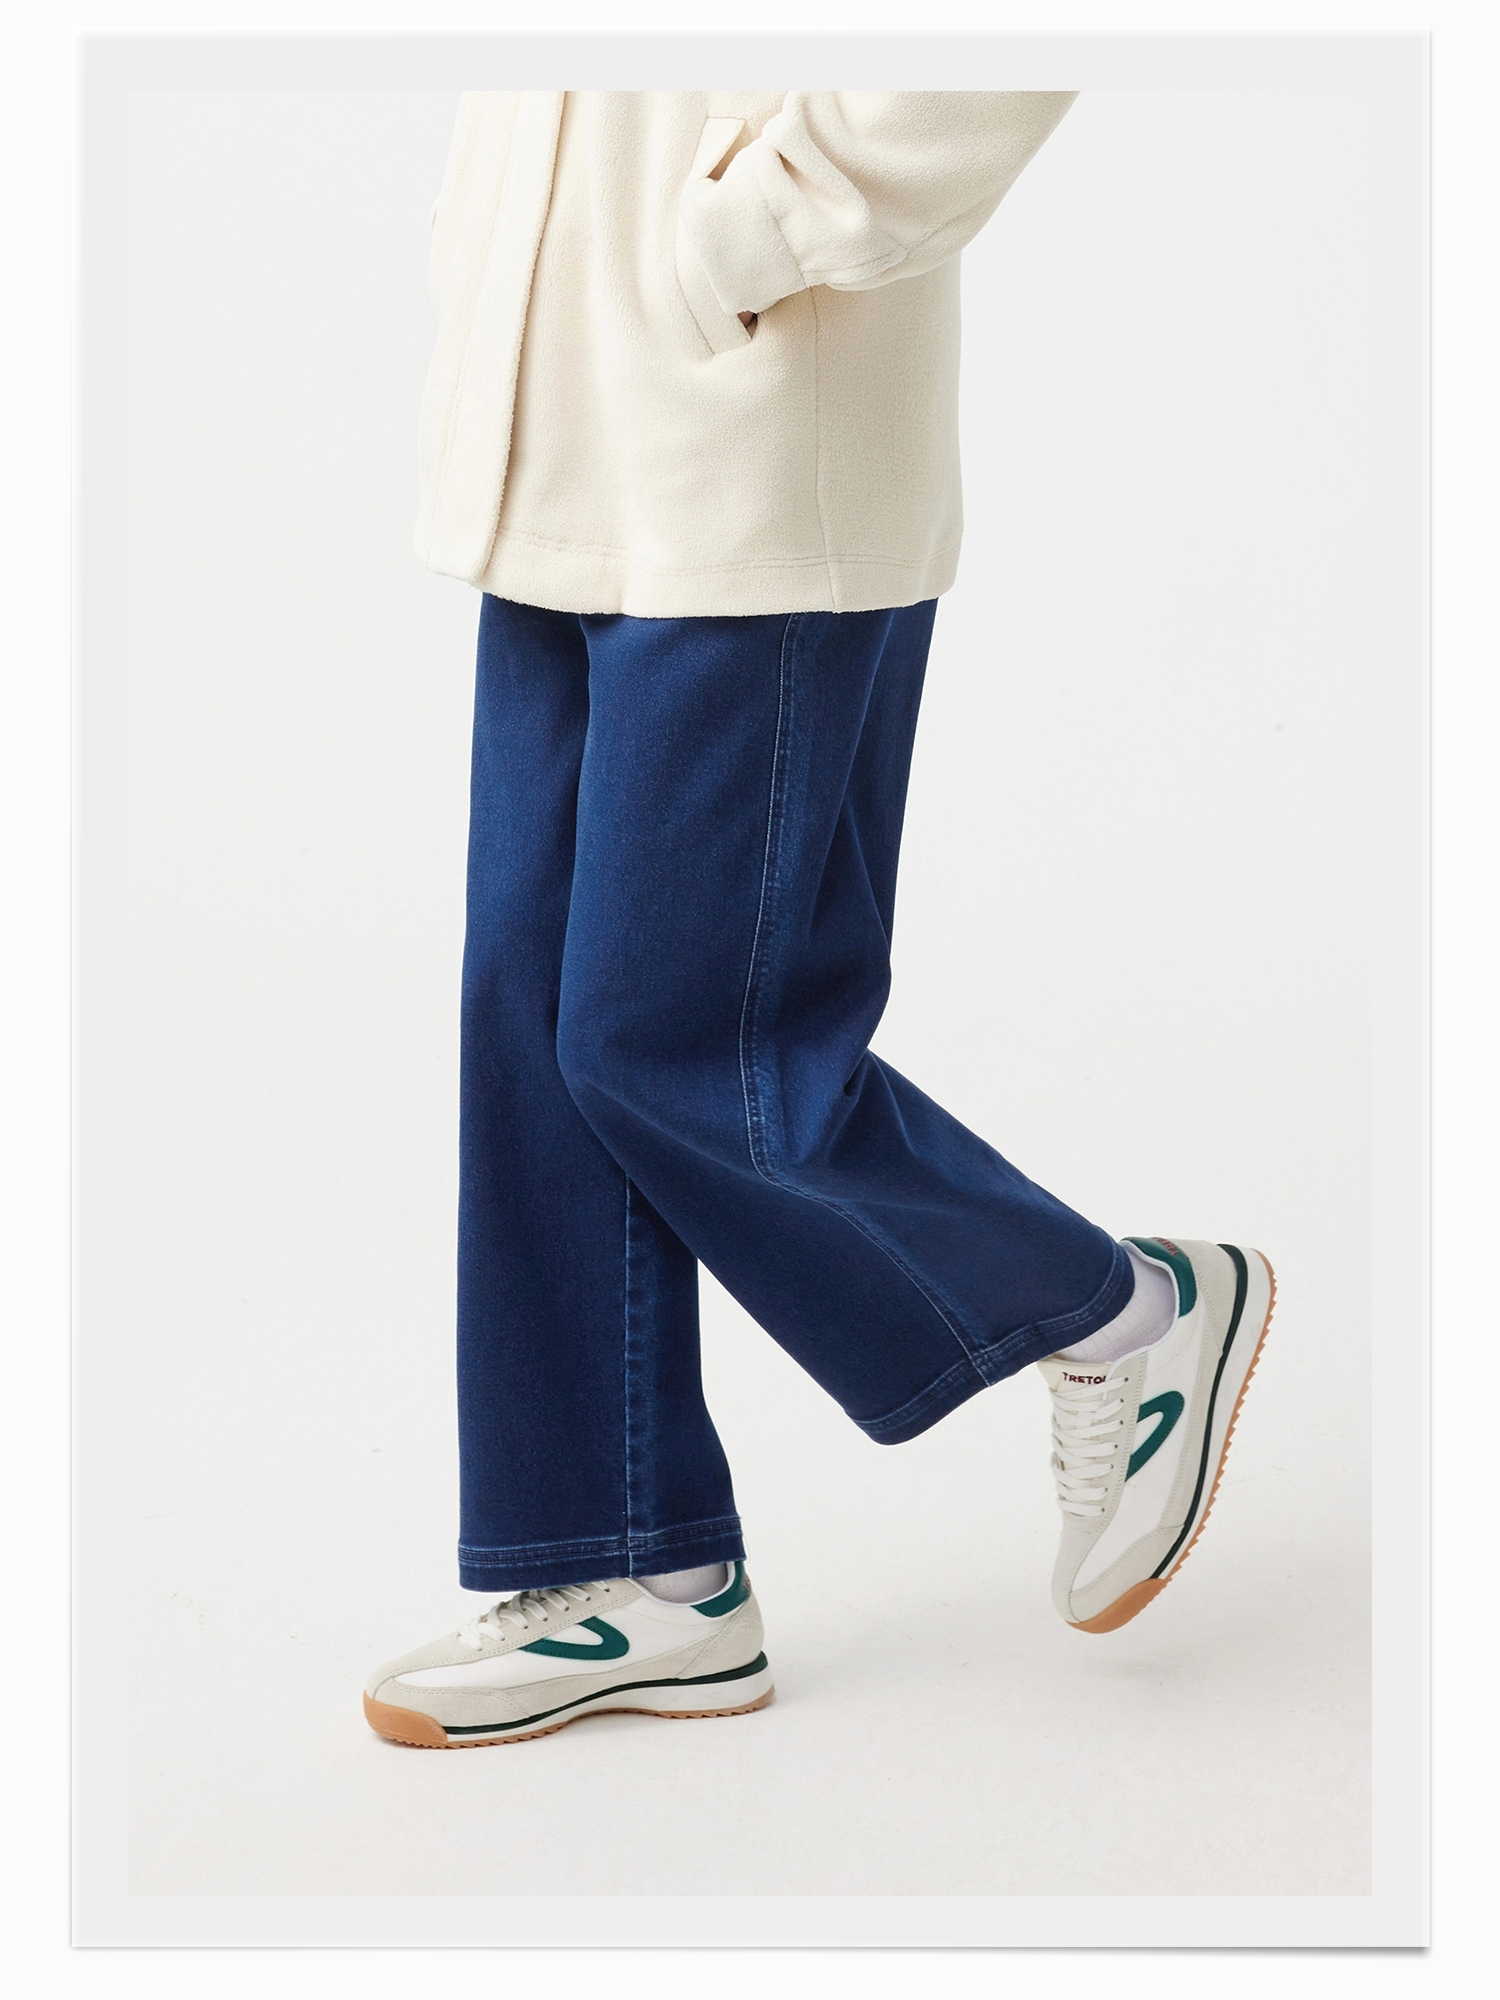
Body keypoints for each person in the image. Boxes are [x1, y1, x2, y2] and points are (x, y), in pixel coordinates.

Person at [362, 91, 1275, 1751]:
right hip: (553, 430)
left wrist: (748, 236)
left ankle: (1126, 1310)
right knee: (535, 1024)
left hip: (758, 442)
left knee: (682, 1044)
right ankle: (636, 1572)